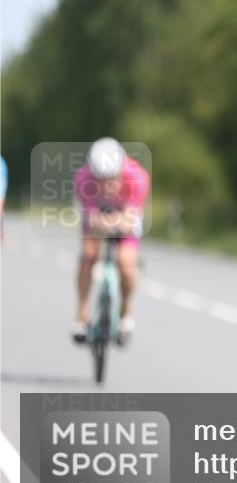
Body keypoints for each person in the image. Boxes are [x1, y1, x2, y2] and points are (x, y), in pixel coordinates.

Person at [71, 138, 150, 346]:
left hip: (125, 213)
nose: (106, 186)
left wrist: (119, 221)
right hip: (97, 214)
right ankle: (81, 316)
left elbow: (130, 219)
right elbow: (92, 219)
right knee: (88, 256)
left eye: (112, 180)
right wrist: (101, 222)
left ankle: (126, 311)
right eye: (100, 180)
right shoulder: (82, 179)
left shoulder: (138, 178)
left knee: (126, 264)